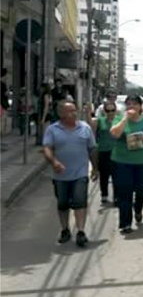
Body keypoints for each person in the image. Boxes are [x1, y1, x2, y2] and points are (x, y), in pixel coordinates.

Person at [42, 101, 98, 247]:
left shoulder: (85, 128)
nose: (74, 113)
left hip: (80, 173)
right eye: (70, 111)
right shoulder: (52, 130)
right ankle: (65, 229)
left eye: (75, 110)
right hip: (60, 176)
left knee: (80, 201)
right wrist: (54, 162)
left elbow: (92, 148)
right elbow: (47, 148)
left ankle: (80, 231)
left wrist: (96, 168)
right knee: (63, 203)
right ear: (61, 114)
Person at [110, 94, 143, 234]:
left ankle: (138, 208)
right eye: (129, 104)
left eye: (134, 104)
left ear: (140, 107)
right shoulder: (120, 118)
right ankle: (125, 223)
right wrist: (126, 118)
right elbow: (115, 134)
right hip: (122, 161)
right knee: (124, 192)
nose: (131, 107)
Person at [86, 101, 118, 205]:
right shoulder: (100, 120)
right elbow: (90, 124)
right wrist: (88, 113)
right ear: (104, 111)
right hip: (103, 151)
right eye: (108, 110)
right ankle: (104, 195)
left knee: (116, 175)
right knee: (104, 175)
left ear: (115, 110)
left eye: (112, 110)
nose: (110, 112)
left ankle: (116, 197)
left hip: (116, 152)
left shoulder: (119, 121)